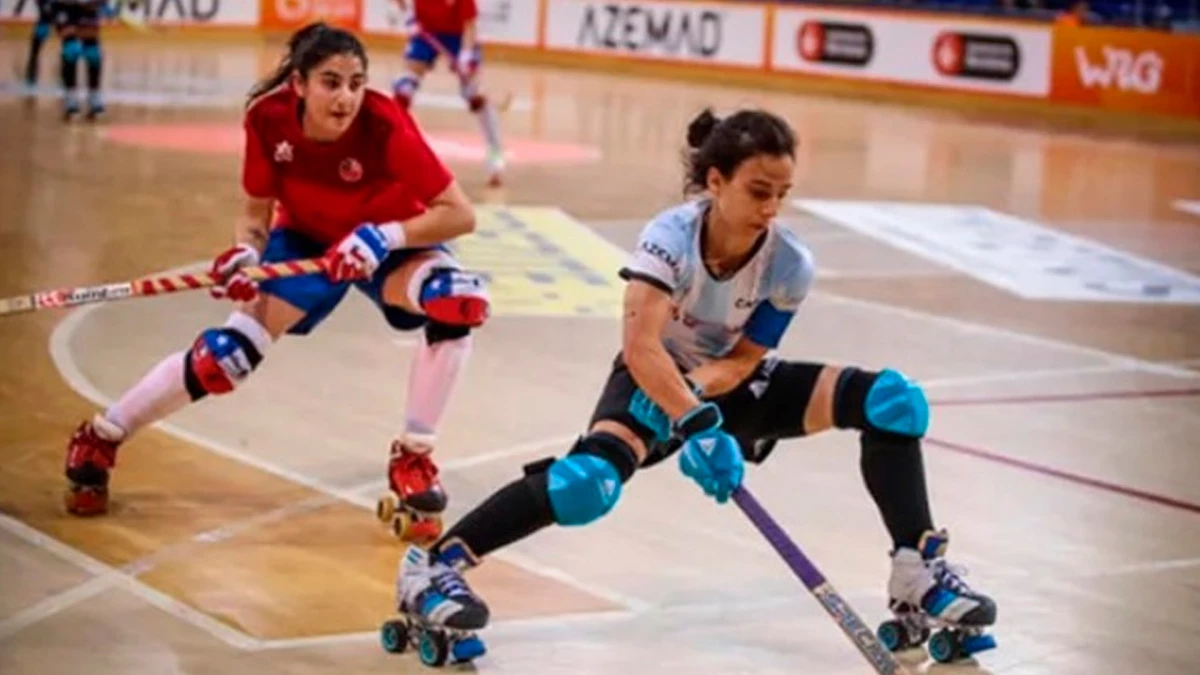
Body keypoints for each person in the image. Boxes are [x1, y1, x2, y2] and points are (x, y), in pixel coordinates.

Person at [391, 108, 998, 661]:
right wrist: (679, 404)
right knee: (587, 485)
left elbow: (745, 358)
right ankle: (434, 565)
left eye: (782, 195)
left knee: (894, 403)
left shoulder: (790, 262)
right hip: (649, 373)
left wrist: (697, 405)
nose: (770, 209)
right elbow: (640, 347)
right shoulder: (669, 238)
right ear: (714, 182)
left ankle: (917, 570)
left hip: (727, 384)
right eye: (758, 192)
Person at [62, 23, 490, 546]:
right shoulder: (266, 120)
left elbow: (459, 215)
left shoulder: (384, 123)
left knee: (457, 302)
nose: (347, 97)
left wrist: (384, 236)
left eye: (356, 82)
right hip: (309, 242)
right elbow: (255, 217)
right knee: (223, 359)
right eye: (331, 82)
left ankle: (414, 458)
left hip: (392, 243)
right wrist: (246, 252)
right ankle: (102, 437)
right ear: (299, 85)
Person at [388, 0, 506, 187]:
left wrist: (466, 55)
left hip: (459, 36)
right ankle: (390, 154)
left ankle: (495, 154)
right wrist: (408, 16)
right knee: (404, 91)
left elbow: (470, 26)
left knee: (475, 96)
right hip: (426, 31)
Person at [50, 0, 109, 120]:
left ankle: (94, 97)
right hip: (64, 6)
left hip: (88, 8)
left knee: (93, 54)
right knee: (71, 50)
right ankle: (71, 99)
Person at [21, 1, 56, 92]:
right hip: (45, 23)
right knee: (34, 52)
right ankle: (31, 75)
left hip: (49, 23)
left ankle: (31, 75)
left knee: (35, 52)